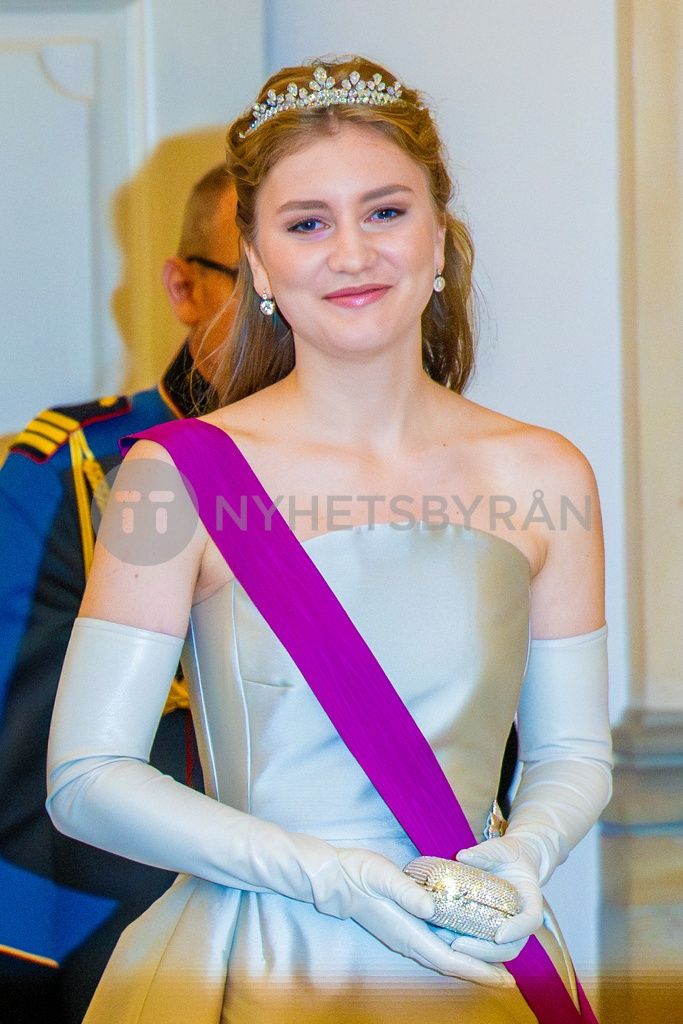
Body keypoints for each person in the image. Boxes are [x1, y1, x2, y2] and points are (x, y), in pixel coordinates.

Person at [46, 56, 612, 1024]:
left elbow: (570, 752)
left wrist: (526, 850)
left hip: (465, 961)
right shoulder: (174, 475)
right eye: (307, 223)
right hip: (250, 961)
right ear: (260, 265)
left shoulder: (543, 475)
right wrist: (327, 877)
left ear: (439, 240)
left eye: (384, 212)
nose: (350, 252)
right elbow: (85, 779)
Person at [0, 164, 238, 1023]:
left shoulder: (411, 471)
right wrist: (34, 964)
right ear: (183, 286)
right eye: (250, 281)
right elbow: (13, 741)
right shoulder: (68, 469)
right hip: (122, 925)